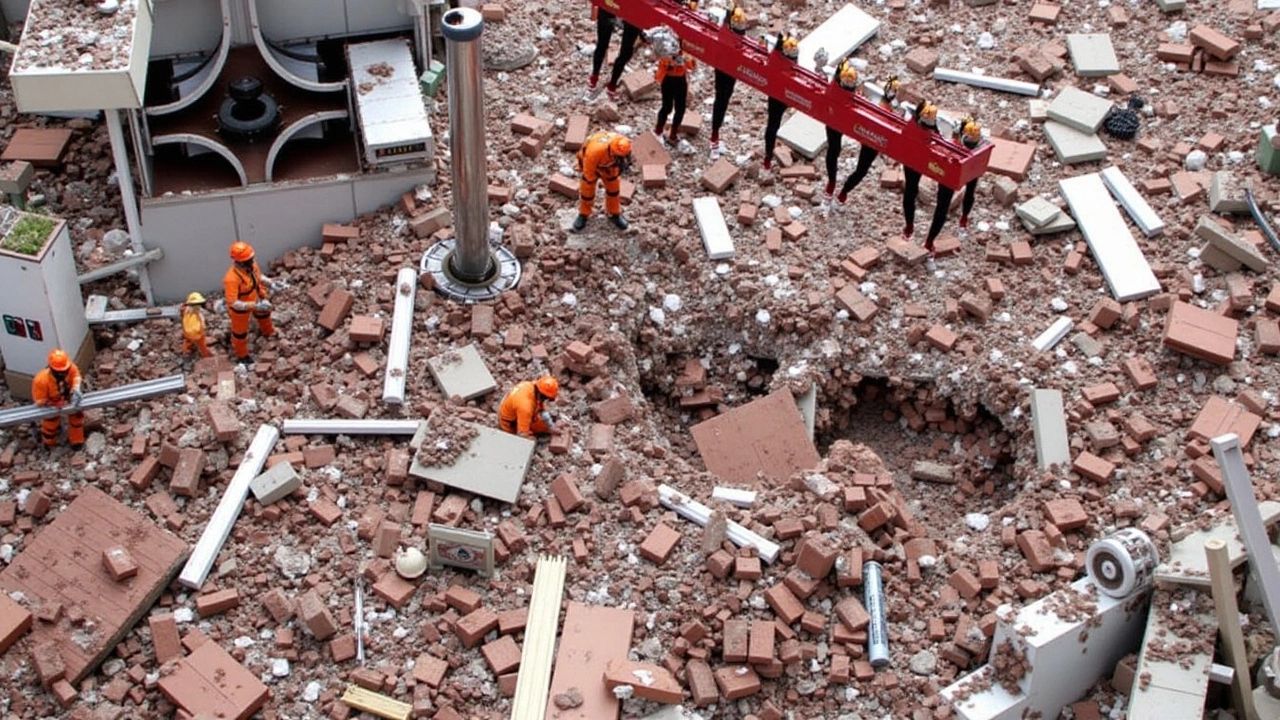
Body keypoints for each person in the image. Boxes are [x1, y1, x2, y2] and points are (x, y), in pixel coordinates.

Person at [833, 76, 900, 208]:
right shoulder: (884, 109)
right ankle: (842, 194)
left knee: (861, 170)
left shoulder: (879, 104)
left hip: (871, 139)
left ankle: (842, 193)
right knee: (861, 171)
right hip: (872, 141)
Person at [921, 117, 984, 248]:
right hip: (950, 174)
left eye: (974, 140)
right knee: (942, 207)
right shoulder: (952, 145)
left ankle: (964, 220)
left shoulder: (977, 146)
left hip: (969, 167)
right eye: (969, 140)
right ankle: (929, 242)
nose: (971, 143)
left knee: (970, 192)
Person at [223, 240, 275, 365]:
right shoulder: (231, 279)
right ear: (240, 262)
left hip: (255, 296)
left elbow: (259, 277)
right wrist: (254, 305)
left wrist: (272, 283)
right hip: (240, 308)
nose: (252, 261)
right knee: (240, 333)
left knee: (264, 315)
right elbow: (233, 302)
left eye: (251, 258)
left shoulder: (252, 266)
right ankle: (243, 355)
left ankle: (269, 332)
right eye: (248, 260)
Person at [709, 4, 751, 157]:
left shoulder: (732, 33)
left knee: (725, 98)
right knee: (721, 99)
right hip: (724, 70)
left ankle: (715, 135)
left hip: (732, 70)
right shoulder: (725, 35)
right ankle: (714, 137)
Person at [572, 131, 633, 232]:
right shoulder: (595, 152)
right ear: (614, 153)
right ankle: (584, 214)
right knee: (587, 190)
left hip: (609, 166)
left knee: (613, 189)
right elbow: (588, 171)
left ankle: (614, 213)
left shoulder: (621, 143)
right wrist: (590, 179)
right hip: (591, 164)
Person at [901, 100, 941, 247]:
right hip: (912, 161)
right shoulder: (912, 127)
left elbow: (938, 140)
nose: (931, 122)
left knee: (912, 190)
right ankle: (909, 226)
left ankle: (913, 229)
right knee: (911, 190)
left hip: (924, 161)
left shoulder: (932, 127)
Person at [822, 60, 862, 201]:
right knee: (834, 149)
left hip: (850, 122)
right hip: (835, 120)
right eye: (847, 81)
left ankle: (844, 190)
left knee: (862, 167)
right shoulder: (834, 89)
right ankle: (832, 181)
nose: (850, 84)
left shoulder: (853, 90)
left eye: (852, 82)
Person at [32, 348, 84, 450]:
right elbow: (39, 400)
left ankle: (77, 441)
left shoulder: (70, 368)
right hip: (52, 402)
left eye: (65, 371)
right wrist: (52, 403)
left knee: (77, 418)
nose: (64, 373)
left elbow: (76, 376)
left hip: (69, 397)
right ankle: (49, 443)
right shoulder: (41, 380)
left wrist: (76, 388)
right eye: (60, 372)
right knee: (50, 424)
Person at [762, 31, 800, 170]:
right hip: (778, 96)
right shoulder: (779, 61)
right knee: (773, 125)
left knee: (772, 125)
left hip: (784, 95)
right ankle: (767, 157)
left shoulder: (788, 60)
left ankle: (767, 157)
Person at [588, 8, 643, 100]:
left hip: (626, 8)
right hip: (634, 10)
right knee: (622, 52)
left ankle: (598, 80)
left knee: (607, 46)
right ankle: (606, 83)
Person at [654, 43, 696, 148]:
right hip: (668, 80)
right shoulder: (666, 50)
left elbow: (692, 65)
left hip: (681, 80)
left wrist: (686, 60)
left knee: (680, 109)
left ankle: (673, 134)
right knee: (667, 107)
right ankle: (658, 131)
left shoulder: (685, 52)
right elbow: (662, 64)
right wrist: (671, 61)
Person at [181, 291, 212, 359]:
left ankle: (204, 355)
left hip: (197, 333)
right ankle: (189, 354)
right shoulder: (190, 313)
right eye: (197, 304)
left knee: (198, 344)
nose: (199, 306)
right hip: (195, 334)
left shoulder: (193, 311)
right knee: (197, 344)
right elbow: (190, 328)